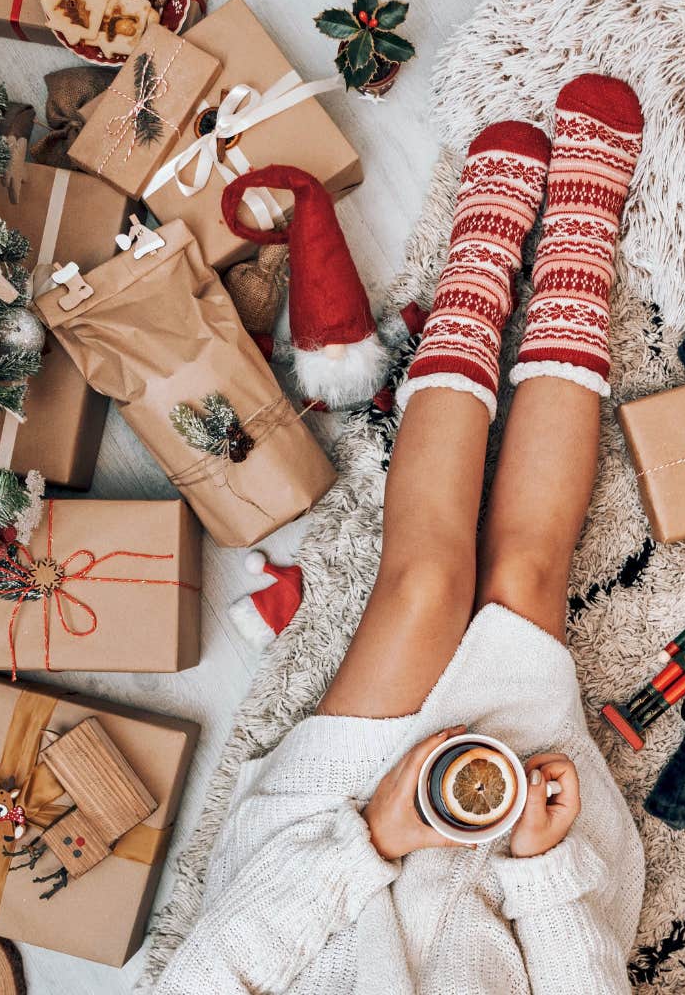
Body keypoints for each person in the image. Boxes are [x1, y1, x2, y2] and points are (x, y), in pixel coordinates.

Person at [156, 73, 646, 995]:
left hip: (321, 858)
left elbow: (215, 966)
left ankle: (479, 261)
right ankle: (582, 238)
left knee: (423, 588)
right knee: (526, 581)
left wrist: (377, 832)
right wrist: (542, 875)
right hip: (510, 893)